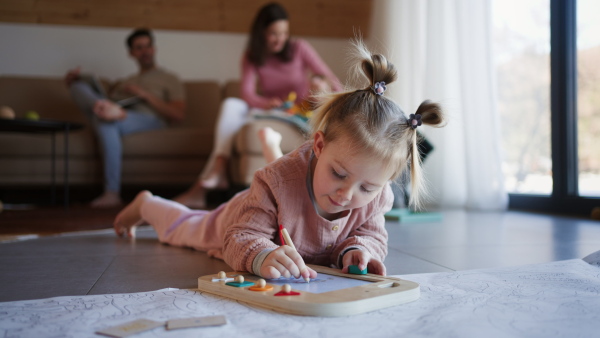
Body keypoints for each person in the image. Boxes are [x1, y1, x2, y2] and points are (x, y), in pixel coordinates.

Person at [113, 40, 446, 280]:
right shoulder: (276, 180)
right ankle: (147, 205)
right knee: (186, 228)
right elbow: (239, 237)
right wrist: (262, 255)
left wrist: (359, 251)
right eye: (338, 173)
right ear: (318, 145)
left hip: (294, 230)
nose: (347, 194)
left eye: (368, 187)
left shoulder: (379, 197)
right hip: (237, 219)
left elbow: (371, 234)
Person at [174, 2, 342, 209]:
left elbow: (330, 79)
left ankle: (201, 188)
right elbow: (246, 94)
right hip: (268, 110)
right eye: (273, 33)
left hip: (296, 111)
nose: (280, 39)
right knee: (231, 104)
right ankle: (219, 167)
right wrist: (266, 102)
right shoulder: (252, 56)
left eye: (284, 33)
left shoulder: (299, 48)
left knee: (235, 108)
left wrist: (333, 97)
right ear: (261, 33)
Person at [65, 28, 186, 208]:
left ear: (154, 49)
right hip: (117, 113)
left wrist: (144, 95)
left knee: (105, 121)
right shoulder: (126, 81)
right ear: (131, 53)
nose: (145, 51)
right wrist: (79, 84)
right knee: (78, 88)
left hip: (149, 119)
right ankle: (103, 108)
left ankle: (111, 192)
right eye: (139, 47)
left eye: (148, 46)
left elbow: (178, 114)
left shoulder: (169, 78)